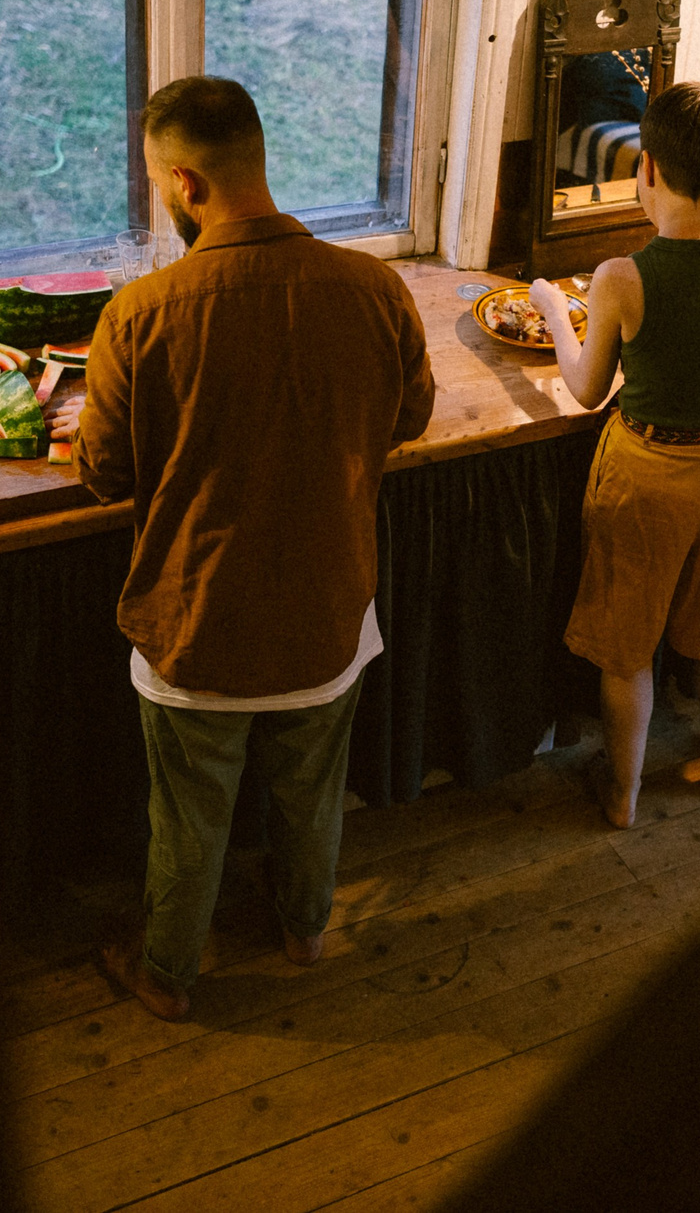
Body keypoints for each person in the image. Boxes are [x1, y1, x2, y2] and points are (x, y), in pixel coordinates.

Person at [58, 76, 435, 1021]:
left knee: (189, 818)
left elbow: (102, 473)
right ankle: (307, 930)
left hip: (199, 630)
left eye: (157, 184)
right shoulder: (376, 288)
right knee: (313, 795)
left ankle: (168, 973)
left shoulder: (140, 315)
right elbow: (414, 414)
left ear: (185, 184)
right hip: (326, 617)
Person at [532, 81, 700, 830]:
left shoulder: (620, 279)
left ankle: (625, 791)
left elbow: (583, 387)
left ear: (644, 169)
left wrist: (551, 308)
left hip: (653, 474)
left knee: (626, 641)